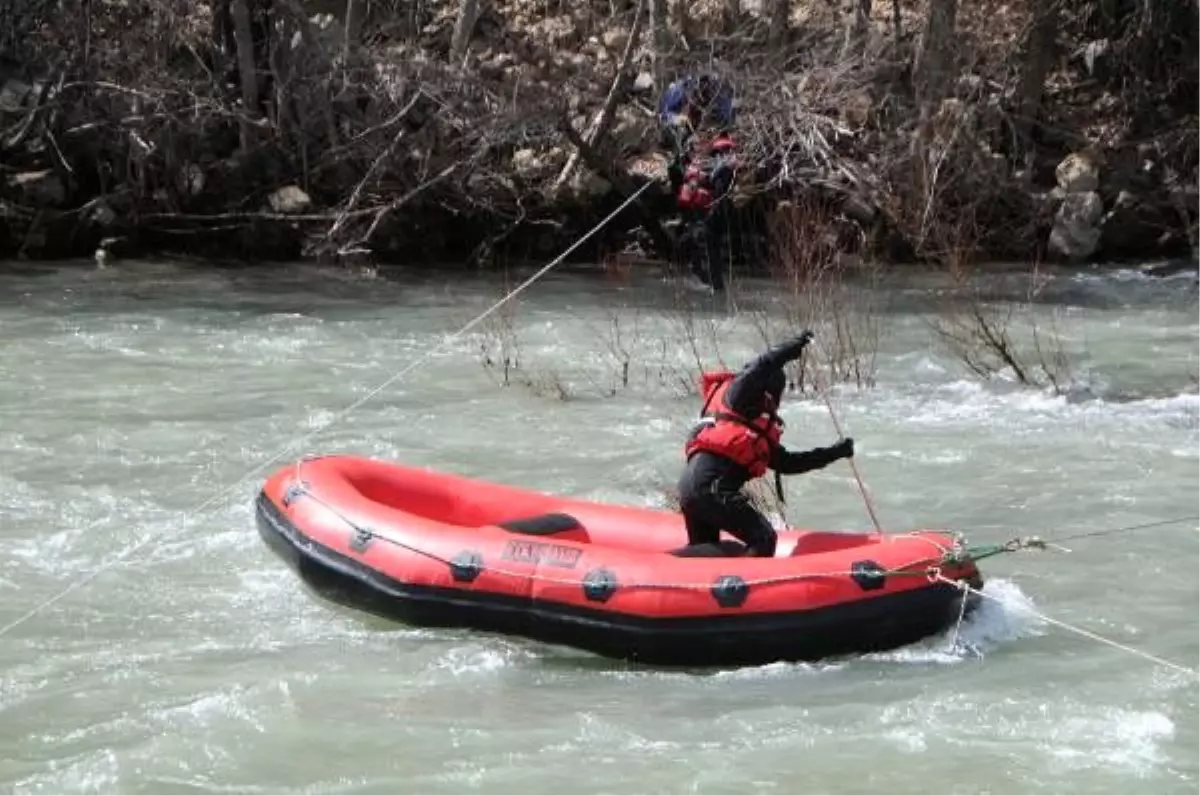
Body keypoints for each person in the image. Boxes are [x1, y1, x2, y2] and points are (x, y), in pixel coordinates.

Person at [677, 332, 856, 557]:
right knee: (763, 538)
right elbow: (760, 366)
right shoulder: (739, 397)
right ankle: (746, 588)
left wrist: (836, 452)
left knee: (708, 556)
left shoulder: (755, 430)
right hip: (710, 489)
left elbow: (791, 463)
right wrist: (791, 348)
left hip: (691, 489)